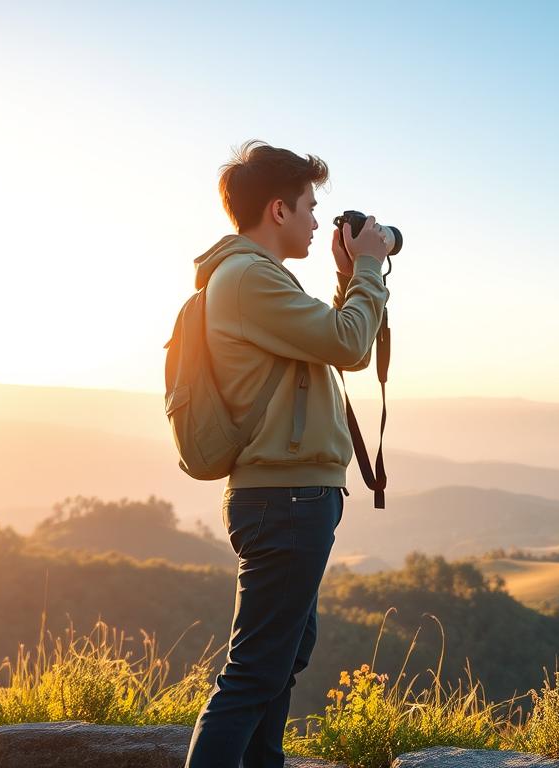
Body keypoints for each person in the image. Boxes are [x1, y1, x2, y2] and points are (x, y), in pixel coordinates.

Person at [183, 139, 391, 768]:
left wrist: (345, 276)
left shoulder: (256, 276)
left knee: (280, 660)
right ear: (277, 210)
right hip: (287, 500)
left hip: (290, 496)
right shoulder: (248, 277)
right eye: (308, 206)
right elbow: (352, 345)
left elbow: (325, 343)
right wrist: (371, 269)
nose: (312, 220)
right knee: (253, 674)